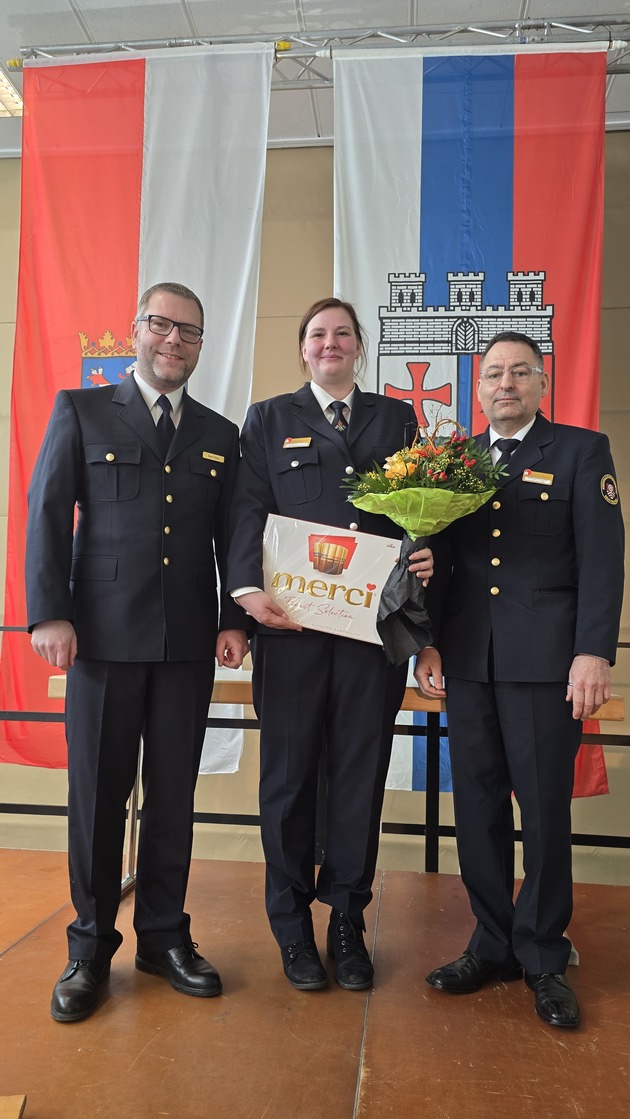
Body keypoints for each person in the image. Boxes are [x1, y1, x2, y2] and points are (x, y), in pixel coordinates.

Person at [26, 281, 249, 1022]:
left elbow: (233, 541)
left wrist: (233, 621)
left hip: (187, 644)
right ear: (136, 330)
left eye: (189, 331)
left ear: (199, 344)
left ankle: (163, 937)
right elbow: (47, 515)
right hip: (100, 640)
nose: (174, 341)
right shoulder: (82, 411)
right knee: (97, 796)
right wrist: (48, 613)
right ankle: (89, 947)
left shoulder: (220, 432)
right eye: (162, 325)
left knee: (174, 799)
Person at [415, 330, 624, 1029]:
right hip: (469, 660)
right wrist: (430, 643)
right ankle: (492, 940)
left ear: (542, 383)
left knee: (542, 811)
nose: (505, 384)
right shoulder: (456, 461)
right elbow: (440, 559)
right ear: (478, 389)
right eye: (493, 374)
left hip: (546, 664)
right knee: (475, 806)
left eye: (519, 373)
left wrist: (593, 650)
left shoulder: (579, 450)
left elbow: (603, 558)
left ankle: (541, 952)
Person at [227, 297, 433, 991]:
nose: (330, 342)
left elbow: (419, 514)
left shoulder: (397, 418)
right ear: (303, 349)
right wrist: (245, 593)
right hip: (290, 631)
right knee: (286, 781)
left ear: (359, 346)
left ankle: (347, 919)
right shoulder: (269, 419)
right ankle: (291, 928)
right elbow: (245, 511)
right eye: (318, 333)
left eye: (343, 332)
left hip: (370, 633)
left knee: (357, 777)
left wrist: (423, 561)